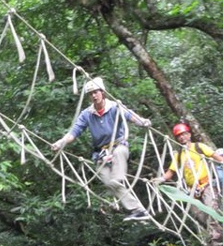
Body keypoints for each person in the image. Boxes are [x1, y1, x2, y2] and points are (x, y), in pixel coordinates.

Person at [51, 77, 152, 221]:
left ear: (102, 92)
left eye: (96, 92)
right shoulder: (87, 114)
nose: (94, 95)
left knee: (116, 176)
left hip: (118, 147)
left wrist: (143, 122)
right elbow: (74, 132)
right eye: (91, 93)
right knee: (109, 183)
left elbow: (131, 116)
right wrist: (61, 142)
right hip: (101, 154)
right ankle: (137, 210)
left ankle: (136, 209)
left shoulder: (114, 107)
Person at [154, 123, 223, 246]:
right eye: (179, 136)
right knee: (200, 217)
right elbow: (171, 171)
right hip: (192, 190)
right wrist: (161, 179)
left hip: (206, 185)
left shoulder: (198, 147)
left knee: (211, 212)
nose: (182, 138)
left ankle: (214, 241)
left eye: (184, 134)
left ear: (189, 134)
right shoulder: (178, 155)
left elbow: (213, 155)